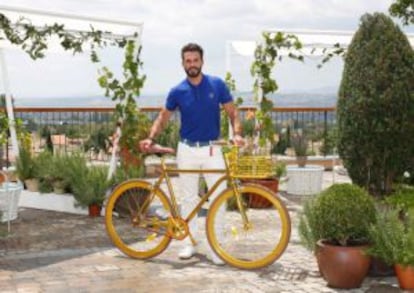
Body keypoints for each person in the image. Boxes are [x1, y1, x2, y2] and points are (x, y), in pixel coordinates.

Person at [140, 43, 243, 265]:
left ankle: (216, 246)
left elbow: (233, 114)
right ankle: (191, 243)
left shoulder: (216, 84)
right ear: (183, 63)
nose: (192, 64)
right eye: (188, 61)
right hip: (186, 149)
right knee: (188, 198)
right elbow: (163, 117)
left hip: (213, 148)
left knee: (219, 197)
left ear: (202, 61)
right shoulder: (177, 91)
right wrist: (151, 137)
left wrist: (237, 134)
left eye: (195, 60)